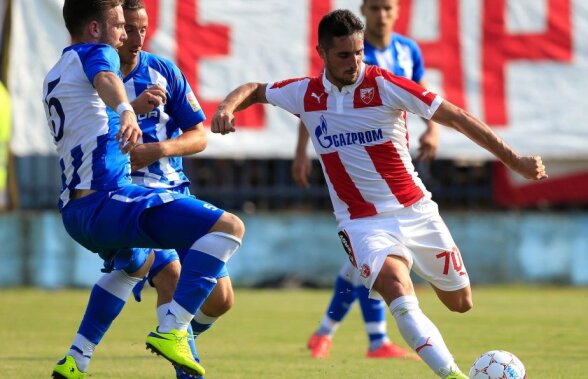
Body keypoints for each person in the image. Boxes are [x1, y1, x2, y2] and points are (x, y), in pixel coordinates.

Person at [211, 9, 546, 379]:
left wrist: (513, 159)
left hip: (416, 210)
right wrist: (226, 107)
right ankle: (452, 375)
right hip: (361, 222)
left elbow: (457, 117)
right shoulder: (305, 93)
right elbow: (255, 90)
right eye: (344, 54)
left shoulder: (386, 85)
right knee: (397, 290)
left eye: (359, 53)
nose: (354, 62)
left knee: (460, 302)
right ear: (321, 51)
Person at [43, 1, 243, 378]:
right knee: (228, 229)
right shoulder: (99, 55)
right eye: (121, 26)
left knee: (148, 268)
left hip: (80, 209)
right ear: (96, 29)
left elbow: (92, 126)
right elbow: (105, 77)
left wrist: (140, 125)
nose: (128, 36)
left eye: (137, 28)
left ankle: (77, 358)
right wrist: (128, 110)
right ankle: (174, 331)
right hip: (114, 199)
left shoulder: (58, 73)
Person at [292, 0, 436, 359]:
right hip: (356, 171)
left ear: (397, 12)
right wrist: (301, 152)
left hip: (394, 166)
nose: (381, 15)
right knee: (368, 263)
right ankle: (373, 340)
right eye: (374, 8)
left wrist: (432, 130)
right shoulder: (350, 51)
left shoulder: (407, 50)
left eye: (387, 8)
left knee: (362, 264)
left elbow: (421, 91)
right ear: (364, 11)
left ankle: (329, 332)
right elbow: (314, 100)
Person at [118, 1, 235, 378]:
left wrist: (159, 149)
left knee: (220, 300)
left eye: (143, 29)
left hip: (175, 192)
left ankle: (177, 332)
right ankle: (187, 366)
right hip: (129, 198)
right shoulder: (94, 77)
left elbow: (199, 136)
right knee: (171, 275)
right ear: (110, 28)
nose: (137, 39)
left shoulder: (163, 71)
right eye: (129, 30)